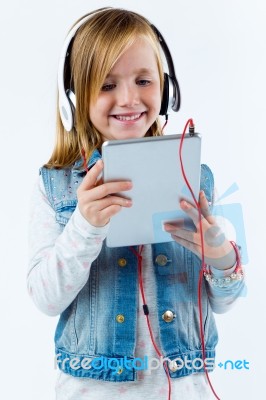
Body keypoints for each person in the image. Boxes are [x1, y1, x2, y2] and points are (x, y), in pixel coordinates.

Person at [27, 7, 246, 400]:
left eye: (143, 80)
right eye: (107, 85)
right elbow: (45, 298)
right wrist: (85, 226)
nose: (129, 98)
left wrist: (220, 258)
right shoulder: (56, 186)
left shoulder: (197, 177)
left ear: (167, 90)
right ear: (73, 100)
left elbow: (227, 301)